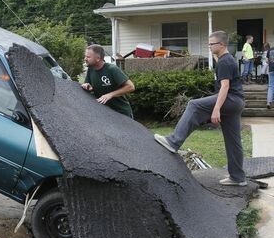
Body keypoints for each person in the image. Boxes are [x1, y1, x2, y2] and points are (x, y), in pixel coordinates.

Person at [154, 31, 247, 186]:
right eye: (209, 43)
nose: (209, 46)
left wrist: (216, 109)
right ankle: (238, 177)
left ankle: (173, 142)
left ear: (222, 45)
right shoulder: (226, 59)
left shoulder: (225, 61)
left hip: (229, 99)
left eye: (212, 44)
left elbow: (225, 87)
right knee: (233, 141)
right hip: (236, 102)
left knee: (194, 105)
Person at [81, 44, 135, 117]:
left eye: (88, 57)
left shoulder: (112, 69)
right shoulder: (91, 69)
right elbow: (88, 85)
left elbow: (131, 87)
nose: (85, 59)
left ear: (98, 58)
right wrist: (87, 86)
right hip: (104, 113)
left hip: (121, 113)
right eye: (85, 56)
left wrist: (110, 94)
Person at [267, 43, 274, 109]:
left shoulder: (270, 50)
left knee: (271, 86)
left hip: (271, 70)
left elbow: (267, 60)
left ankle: (269, 102)